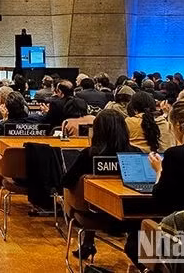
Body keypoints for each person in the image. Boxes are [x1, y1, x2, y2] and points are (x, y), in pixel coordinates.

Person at [62, 110, 142, 260]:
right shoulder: (136, 154)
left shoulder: (89, 155)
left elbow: (66, 181)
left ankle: (88, 242)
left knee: (88, 195)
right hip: (130, 216)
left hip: (93, 215)